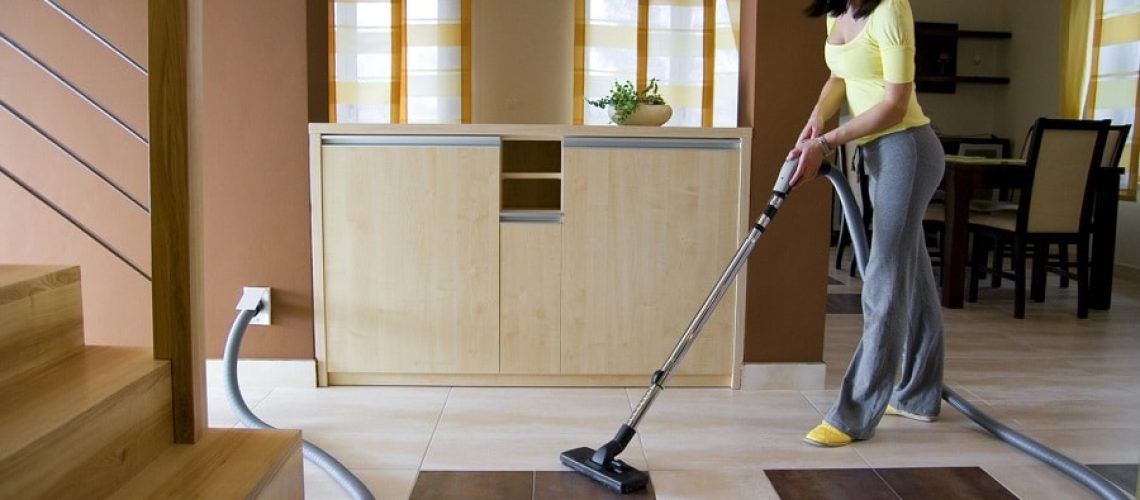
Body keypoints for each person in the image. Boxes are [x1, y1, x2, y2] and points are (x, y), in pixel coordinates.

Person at [787, 0, 946, 447]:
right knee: (909, 271)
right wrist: (815, 124)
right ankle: (918, 395)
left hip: (906, 149)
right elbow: (840, 77)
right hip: (876, 153)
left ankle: (853, 415)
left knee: (884, 276)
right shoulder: (839, 13)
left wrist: (827, 140)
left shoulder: (892, 8)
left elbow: (895, 104)